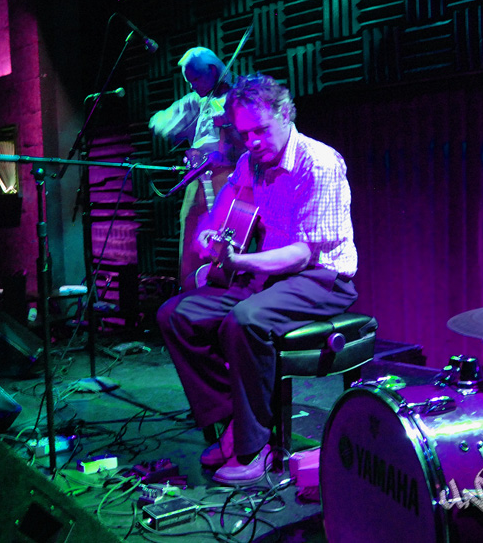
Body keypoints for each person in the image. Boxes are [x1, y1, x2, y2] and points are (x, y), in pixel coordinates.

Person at [156, 73, 358, 485]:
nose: (251, 142)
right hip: (269, 275)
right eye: (244, 133)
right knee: (176, 315)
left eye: (260, 130)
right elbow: (224, 207)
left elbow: (303, 253)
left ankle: (256, 446)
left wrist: (241, 261)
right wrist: (207, 233)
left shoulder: (318, 163)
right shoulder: (250, 162)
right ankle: (234, 420)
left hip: (322, 278)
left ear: (285, 115)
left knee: (245, 320)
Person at [148, 47, 243, 288]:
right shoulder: (197, 101)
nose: (192, 86)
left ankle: (224, 290)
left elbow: (247, 147)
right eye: (189, 81)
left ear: (213, 70)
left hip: (228, 179)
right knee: (191, 238)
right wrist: (184, 128)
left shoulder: (238, 97)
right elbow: (159, 122)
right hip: (198, 179)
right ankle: (191, 290)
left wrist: (228, 125)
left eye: (196, 79)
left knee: (224, 240)